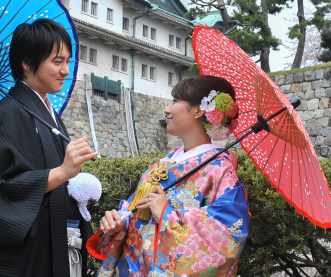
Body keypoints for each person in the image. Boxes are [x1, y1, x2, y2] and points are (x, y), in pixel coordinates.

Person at [0, 18, 99, 277]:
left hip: (62, 243)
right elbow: (0, 188)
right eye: (57, 61)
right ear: (27, 63)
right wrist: (62, 173)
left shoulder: (47, 115)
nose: (65, 70)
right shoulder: (5, 115)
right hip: (34, 256)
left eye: (67, 61)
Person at [87, 75, 250, 277]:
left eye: (175, 101)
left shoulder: (220, 169)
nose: (167, 109)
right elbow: (137, 213)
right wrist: (119, 222)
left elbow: (226, 238)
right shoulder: (166, 162)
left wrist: (167, 214)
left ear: (199, 110)